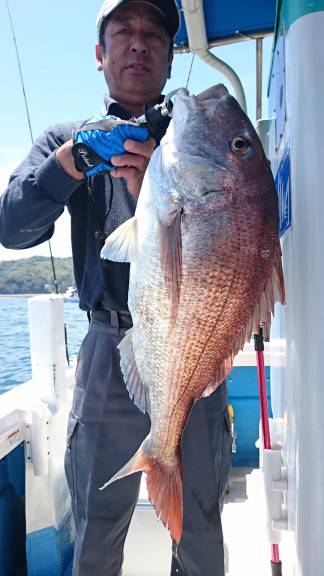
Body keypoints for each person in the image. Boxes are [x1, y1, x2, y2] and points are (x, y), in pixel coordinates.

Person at [0, 1, 232, 574]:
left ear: (171, 56)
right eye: (123, 31)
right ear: (100, 54)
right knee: (97, 527)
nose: (139, 43)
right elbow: (13, 226)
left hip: (197, 350)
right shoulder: (69, 139)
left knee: (200, 526)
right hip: (108, 353)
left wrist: (165, 174)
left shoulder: (199, 137)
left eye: (154, 33)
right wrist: (72, 162)